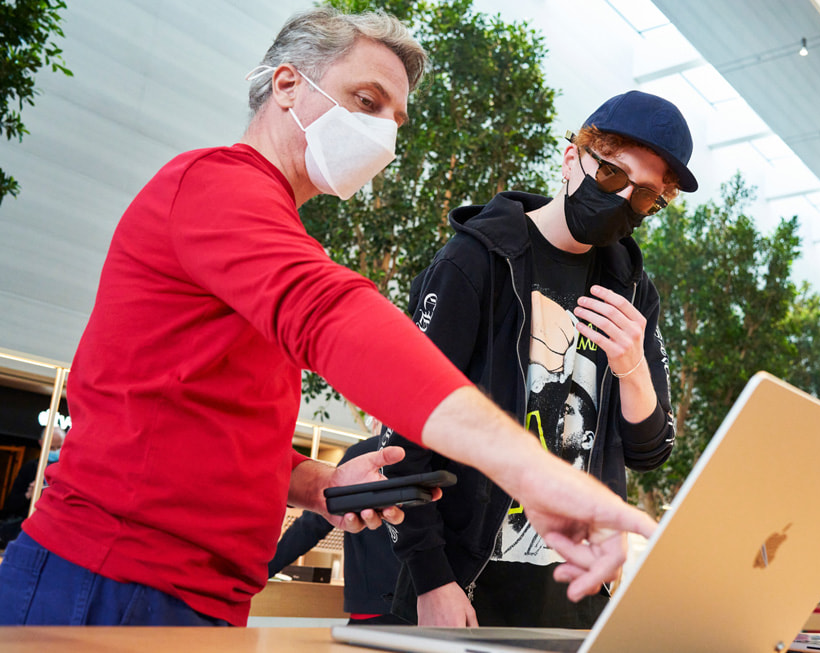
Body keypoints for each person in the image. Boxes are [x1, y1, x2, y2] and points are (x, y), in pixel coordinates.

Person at [0, 7, 655, 627]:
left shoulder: (274, 230)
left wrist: (318, 483)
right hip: (109, 577)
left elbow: (203, 417)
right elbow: (335, 316)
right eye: (367, 101)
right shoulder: (215, 184)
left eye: (396, 119)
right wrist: (532, 471)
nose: (384, 133)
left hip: (195, 591)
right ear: (287, 84)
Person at [381, 90, 695, 627]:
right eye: (612, 176)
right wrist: (432, 578)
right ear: (572, 158)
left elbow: (650, 451)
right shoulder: (477, 260)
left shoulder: (633, 291)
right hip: (463, 582)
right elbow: (404, 435)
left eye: (645, 197)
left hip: (575, 593)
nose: (624, 200)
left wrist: (632, 368)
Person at [267, 436, 408, 625]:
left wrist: (263, 570)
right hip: (427, 603)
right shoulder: (433, 455)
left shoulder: (364, 453)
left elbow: (311, 526)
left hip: (373, 605)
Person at [0, 427, 66, 548]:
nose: (55, 451)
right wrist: (29, 494)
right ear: (41, 443)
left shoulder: (68, 471)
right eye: (51, 447)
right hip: (28, 527)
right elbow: (10, 505)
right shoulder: (30, 468)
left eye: (59, 447)